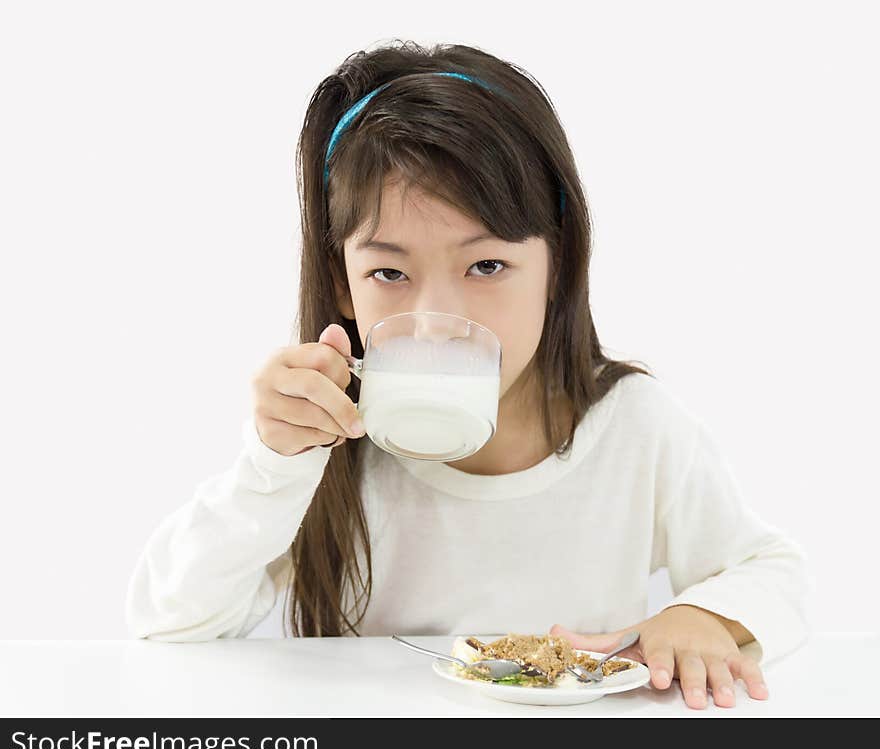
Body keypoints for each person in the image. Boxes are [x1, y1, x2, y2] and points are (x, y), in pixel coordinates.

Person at [125, 41, 812, 710]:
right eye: (389, 273)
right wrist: (273, 464)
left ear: (558, 264)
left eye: (485, 267)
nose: (436, 321)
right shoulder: (322, 449)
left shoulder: (632, 427)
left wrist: (703, 618)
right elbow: (170, 622)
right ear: (343, 284)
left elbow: (774, 571)